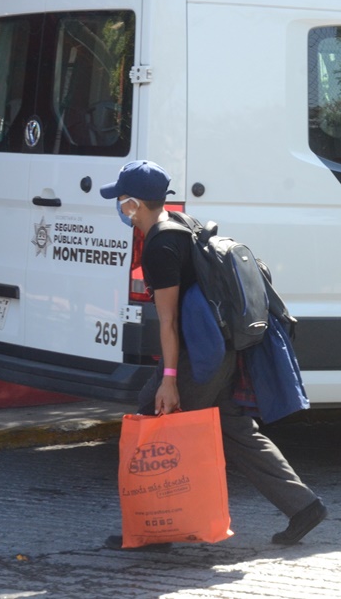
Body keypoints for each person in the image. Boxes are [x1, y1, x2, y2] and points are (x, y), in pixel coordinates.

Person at [100, 160, 327, 550]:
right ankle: (303, 506)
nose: (119, 207)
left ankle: (155, 528)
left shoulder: (159, 246)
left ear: (133, 204)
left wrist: (169, 380)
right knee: (235, 429)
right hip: (219, 348)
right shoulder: (182, 222)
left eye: (121, 200)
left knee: (152, 420)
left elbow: (168, 323)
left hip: (198, 356)